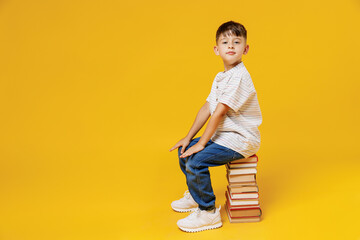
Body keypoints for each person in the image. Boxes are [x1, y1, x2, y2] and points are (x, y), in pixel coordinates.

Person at [169, 20, 263, 232]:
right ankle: (196, 196)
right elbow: (207, 108)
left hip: (241, 138)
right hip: (224, 136)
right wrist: (188, 138)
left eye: (237, 42)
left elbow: (220, 113)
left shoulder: (239, 76)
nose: (231, 46)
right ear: (216, 49)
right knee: (185, 151)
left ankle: (208, 212)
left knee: (195, 162)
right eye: (225, 42)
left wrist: (202, 144)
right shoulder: (222, 77)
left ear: (245, 49)